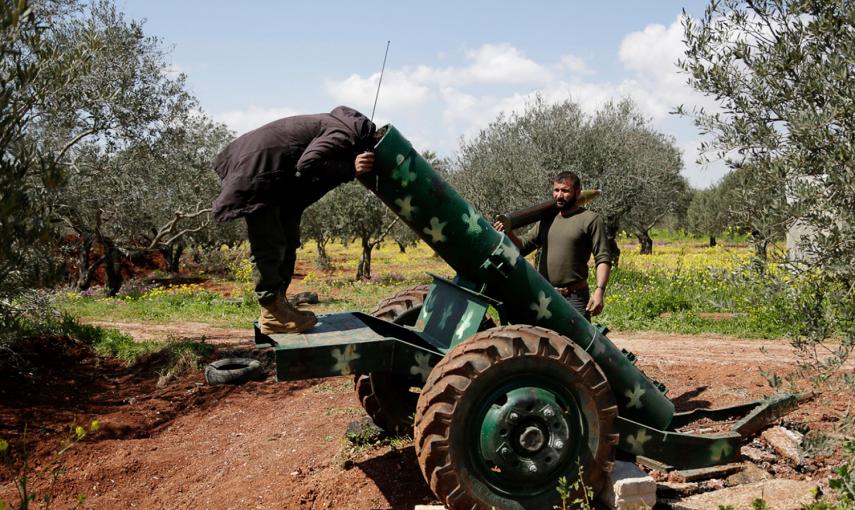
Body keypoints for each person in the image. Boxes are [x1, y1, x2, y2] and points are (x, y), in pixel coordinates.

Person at [212, 106, 376, 334]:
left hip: (267, 173)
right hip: (259, 172)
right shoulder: (345, 134)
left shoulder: (334, 126)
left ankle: (280, 307)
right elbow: (308, 163)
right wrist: (351, 169)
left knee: (287, 239)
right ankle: (272, 312)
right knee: (270, 243)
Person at [494, 171, 611, 321]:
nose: (559, 195)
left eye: (565, 191)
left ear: (578, 192)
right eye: (556, 190)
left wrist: (599, 291)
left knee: (576, 343)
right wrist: (508, 232)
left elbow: (603, 259)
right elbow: (522, 247)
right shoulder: (546, 220)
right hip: (544, 296)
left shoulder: (591, 220)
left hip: (574, 298)